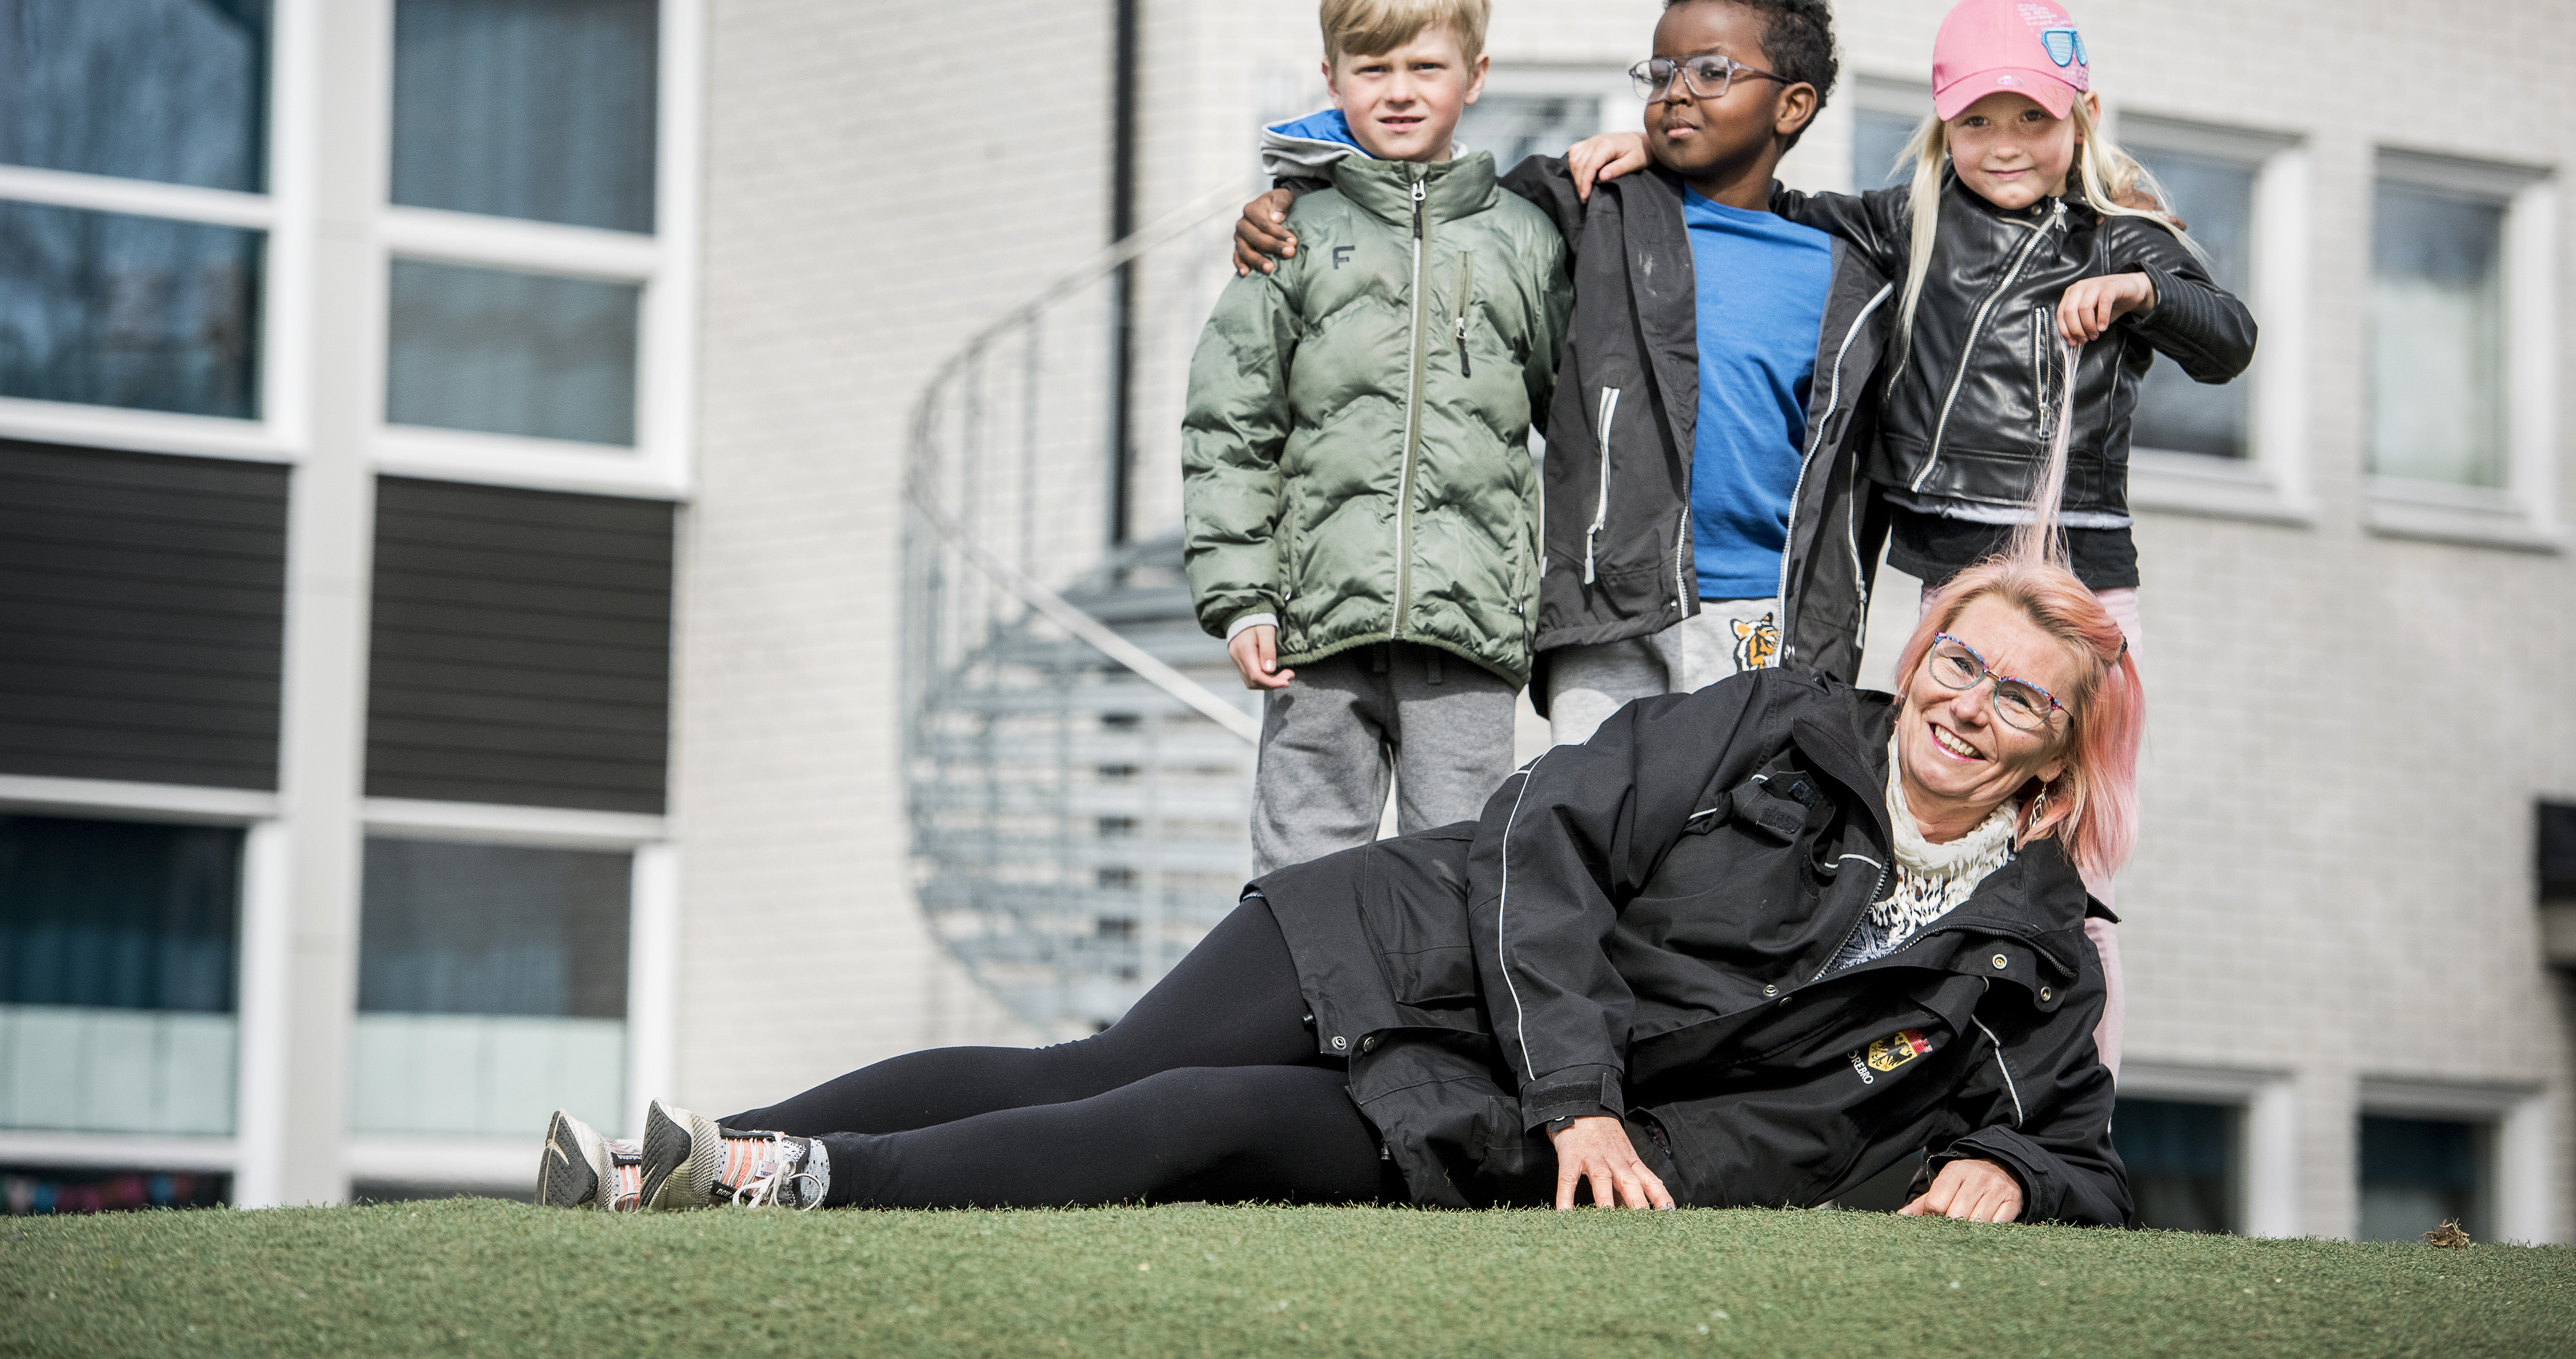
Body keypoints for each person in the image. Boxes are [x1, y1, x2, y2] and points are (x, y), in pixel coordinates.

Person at [536, 552, 2133, 1224]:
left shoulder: (2026, 965)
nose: (1962, 703)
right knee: (1104, 1069)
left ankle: (780, 1180)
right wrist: (1582, 1092)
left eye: (2013, 699)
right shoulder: (1770, 721)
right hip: (1424, 936)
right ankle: (669, 1162)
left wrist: (2008, 1163)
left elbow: (2085, 1157)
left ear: (2056, 764)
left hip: (1495, 1116)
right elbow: (1545, 839)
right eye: (1957, 660)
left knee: (1198, 1129)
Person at [1567, 0, 2259, 1073]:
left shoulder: (2119, 234)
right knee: (1929, 850)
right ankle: (1935, 1102)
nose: (2003, 141)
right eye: (1977, 117)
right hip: (1948, 585)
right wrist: (1655, 150)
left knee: (2069, 865)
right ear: (1944, 123)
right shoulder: (1905, 222)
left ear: (2076, 115)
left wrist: (2139, 291)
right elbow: (1767, 205)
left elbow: (2227, 337)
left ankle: (2077, 1113)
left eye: (2030, 115)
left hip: (2074, 586)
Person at [1232, 0, 1894, 749]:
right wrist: (1303, 192)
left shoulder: (1852, 271)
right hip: (1606, 610)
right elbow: (1432, 211)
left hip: (1768, 619)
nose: (1677, 92)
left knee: (1734, 859)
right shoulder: (1590, 206)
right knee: (1593, 845)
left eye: (1711, 73)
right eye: (1661, 73)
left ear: (1792, 106)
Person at [1182, 0, 1571, 873]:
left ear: (1474, 76)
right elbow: (1231, 424)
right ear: (1332, 76)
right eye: (1373, 66)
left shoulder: (1526, 239)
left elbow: (1578, 426)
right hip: (1315, 626)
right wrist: (1241, 598)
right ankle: (1299, 1027)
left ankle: (1436, 1030)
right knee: (1304, 875)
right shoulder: (1294, 235)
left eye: (1425, 66)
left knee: (1459, 873)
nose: (1399, 90)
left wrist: (1549, 603)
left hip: (1470, 627)